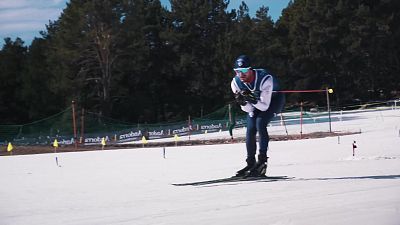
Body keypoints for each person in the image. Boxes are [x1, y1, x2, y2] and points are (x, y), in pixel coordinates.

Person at [230, 55, 285, 177]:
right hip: (258, 103)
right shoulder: (235, 83)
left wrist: (252, 100)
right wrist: (243, 102)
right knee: (250, 128)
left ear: (251, 70)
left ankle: (262, 161)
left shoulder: (265, 78)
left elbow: (264, 107)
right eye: (238, 72)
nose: (241, 75)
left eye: (244, 71)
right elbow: (249, 110)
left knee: (260, 123)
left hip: (274, 101)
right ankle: (250, 162)